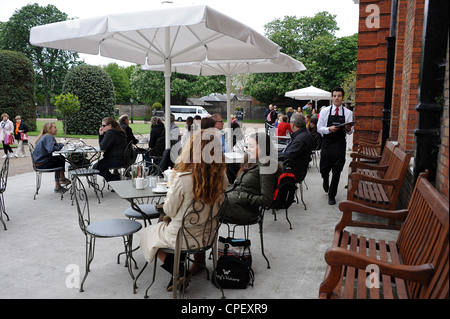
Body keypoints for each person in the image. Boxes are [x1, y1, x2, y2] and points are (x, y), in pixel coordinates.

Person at [140, 129, 228, 291]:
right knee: (172, 229)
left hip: (182, 236)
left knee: (147, 233)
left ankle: (179, 271)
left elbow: (169, 210)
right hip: (208, 235)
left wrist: (172, 188)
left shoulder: (184, 178)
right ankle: (181, 268)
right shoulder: (222, 177)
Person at [222, 132, 282, 224]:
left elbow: (266, 200)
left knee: (206, 208)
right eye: (248, 146)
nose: (248, 149)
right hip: (234, 203)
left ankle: (206, 237)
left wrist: (242, 197)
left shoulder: (266, 166)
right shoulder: (251, 161)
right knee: (205, 201)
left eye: (252, 146)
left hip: (245, 210)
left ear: (262, 148)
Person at [317, 86, 354, 205]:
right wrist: (329, 129)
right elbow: (319, 128)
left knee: (337, 169)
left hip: (339, 143)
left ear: (342, 98)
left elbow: (350, 131)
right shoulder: (325, 111)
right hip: (327, 142)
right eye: (334, 96)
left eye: (339, 96)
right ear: (332, 97)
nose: (336, 98)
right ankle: (325, 179)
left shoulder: (348, 113)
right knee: (324, 168)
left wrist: (348, 129)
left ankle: (332, 195)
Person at [32, 122, 71, 192]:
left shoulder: (44, 136)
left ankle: (58, 184)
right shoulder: (48, 136)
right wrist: (61, 145)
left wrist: (60, 144)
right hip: (42, 164)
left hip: (38, 163)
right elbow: (50, 149)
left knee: (59, 159)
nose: (57, 129)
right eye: (55, 128)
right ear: (49, 130)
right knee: (61, 159)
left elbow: (51, 147)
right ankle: (62, 179)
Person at [278, 113, 313, 183]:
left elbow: (287, 155)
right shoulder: (302, 134)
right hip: (293, 166)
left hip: (293, 170)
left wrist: (271, 155)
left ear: (293, 124)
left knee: (262, 172)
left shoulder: (301, 138)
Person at [94, 117, 127, 182]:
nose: (102, 127)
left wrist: (101, 135)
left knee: (96, 167)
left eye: (104, 125)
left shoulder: (110, 133)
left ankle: (114, 179)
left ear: (110, 125)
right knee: (99, 166)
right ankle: (114, 179)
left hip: (115, 160)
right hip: (122, 159)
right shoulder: (119, 132)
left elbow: (102, 147)